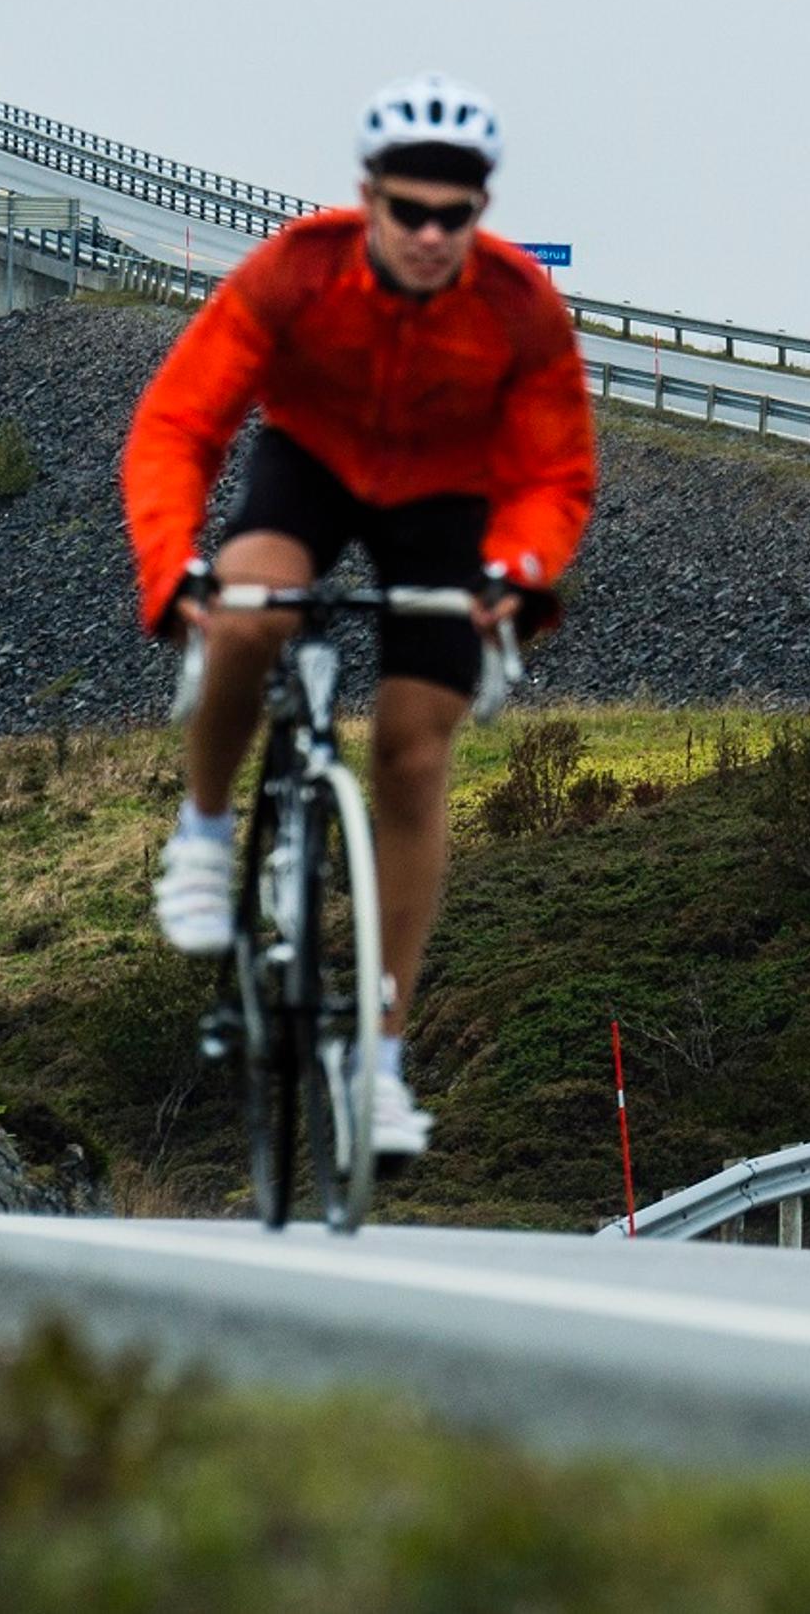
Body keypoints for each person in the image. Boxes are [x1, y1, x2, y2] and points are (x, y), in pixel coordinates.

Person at [120, 74, 597, 1161]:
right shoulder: (296, 271)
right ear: (367, 198)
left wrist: (516, 574)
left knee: (415, 757)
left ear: (478, 215)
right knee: (248, 617)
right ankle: (202, 833)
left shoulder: (519, 306)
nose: (431, 235)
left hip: (445, 499)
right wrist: (177, 568)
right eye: (409, 212)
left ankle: (378, 1058)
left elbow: (554, 474)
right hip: (312, 465)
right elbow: (178, 425)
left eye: (454, 217)